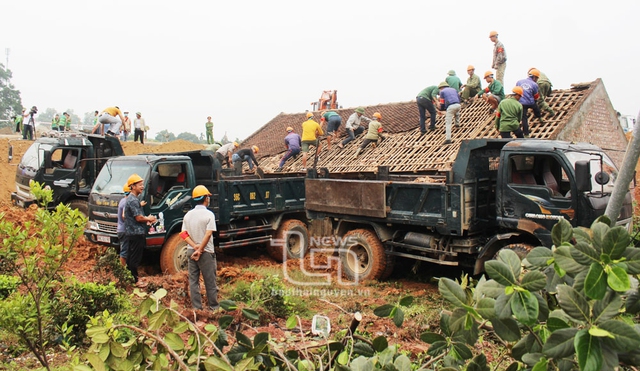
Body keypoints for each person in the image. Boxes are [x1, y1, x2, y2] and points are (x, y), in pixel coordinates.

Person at [180, 185, 218, 311]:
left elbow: (183, 234)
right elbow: (208, 234)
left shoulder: (188, 215)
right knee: (210, 281)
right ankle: (213, 308)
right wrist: (200, 249)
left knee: (193, 281)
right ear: (206, 198)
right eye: (208, 196)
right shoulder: (209, 215)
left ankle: (197, 309)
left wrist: (194, 246)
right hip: (206, 252)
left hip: (191, 251)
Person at [123, 174, 157, 287]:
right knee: (135, 258)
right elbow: (138, 218)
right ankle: (135, 280)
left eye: (142, 184)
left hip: (132, 232)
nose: (142, 187)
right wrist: (149, 218)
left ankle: (130, 278)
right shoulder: (133, 200)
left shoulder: (133, 199)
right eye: (140, 185)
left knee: (131, 257)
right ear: (132, 186)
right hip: (135, 233)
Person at [516, 69, 542, 138]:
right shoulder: (534, 84)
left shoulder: (519, 82)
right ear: (534, 77)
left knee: (524, 118)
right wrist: (535, 101)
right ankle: (539, 118)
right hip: (530, 102)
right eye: (537, 78)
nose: (537, 80)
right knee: (536, 107)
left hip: (521, 103)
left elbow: (516, 92)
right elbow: (536, 96)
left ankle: (526, 134)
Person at [117, 184, 130, 267]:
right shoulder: (126, 202)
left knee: (123, 249)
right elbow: (124, 215)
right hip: (125, 230)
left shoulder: (122, 200)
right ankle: (122, 269)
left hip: (120, 229)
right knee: (124, 252)